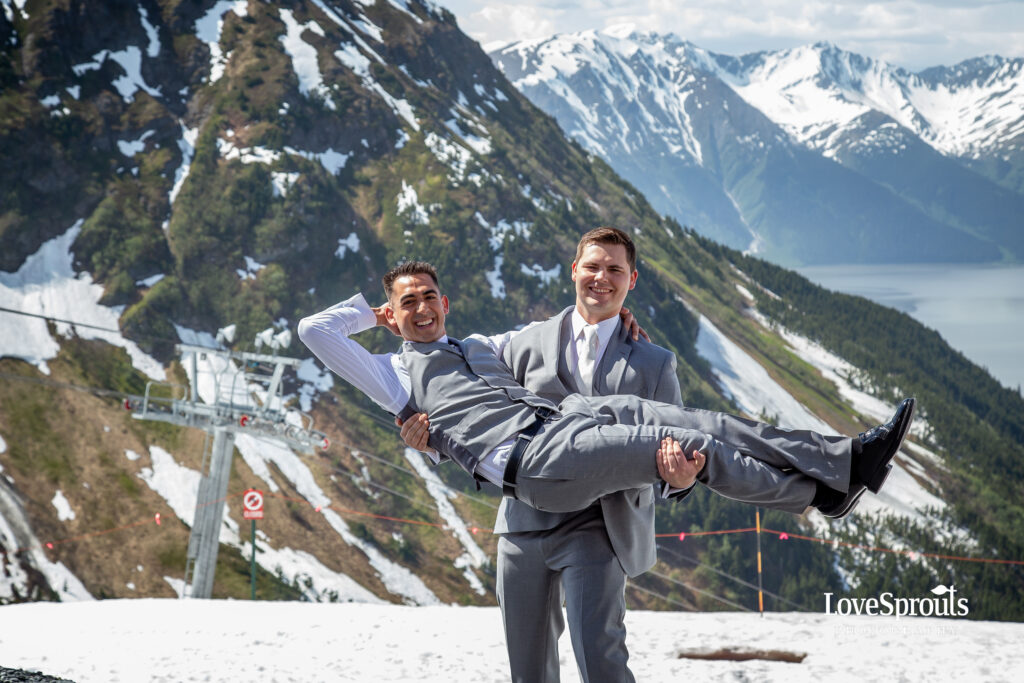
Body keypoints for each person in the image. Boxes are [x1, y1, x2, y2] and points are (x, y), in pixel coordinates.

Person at [297, 258, 913, 545]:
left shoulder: (483, 344)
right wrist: (369, 313)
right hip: (534, 462)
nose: (421, 308)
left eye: (428, 296)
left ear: (445, 302)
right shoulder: (394, 376)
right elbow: (314, 332)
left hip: (565, 423)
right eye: (407, 303)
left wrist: (619, 313)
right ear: (394, 314)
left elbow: (570, 322)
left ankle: (842, 463)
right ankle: (815, 496)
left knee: (696, 418)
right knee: (689, 444)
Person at [397, 227, 686, 682]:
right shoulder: (521, 344)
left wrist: (678, 480)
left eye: (615, 270)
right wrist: (430, 442)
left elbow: (677, 447)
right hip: (523, 524)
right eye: (592, 267)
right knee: (527, 668)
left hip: (601, 526)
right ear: (574, 271)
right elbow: (472, 411)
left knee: (601, 660)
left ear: (632, 279)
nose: (601, 278)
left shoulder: (655, 363)